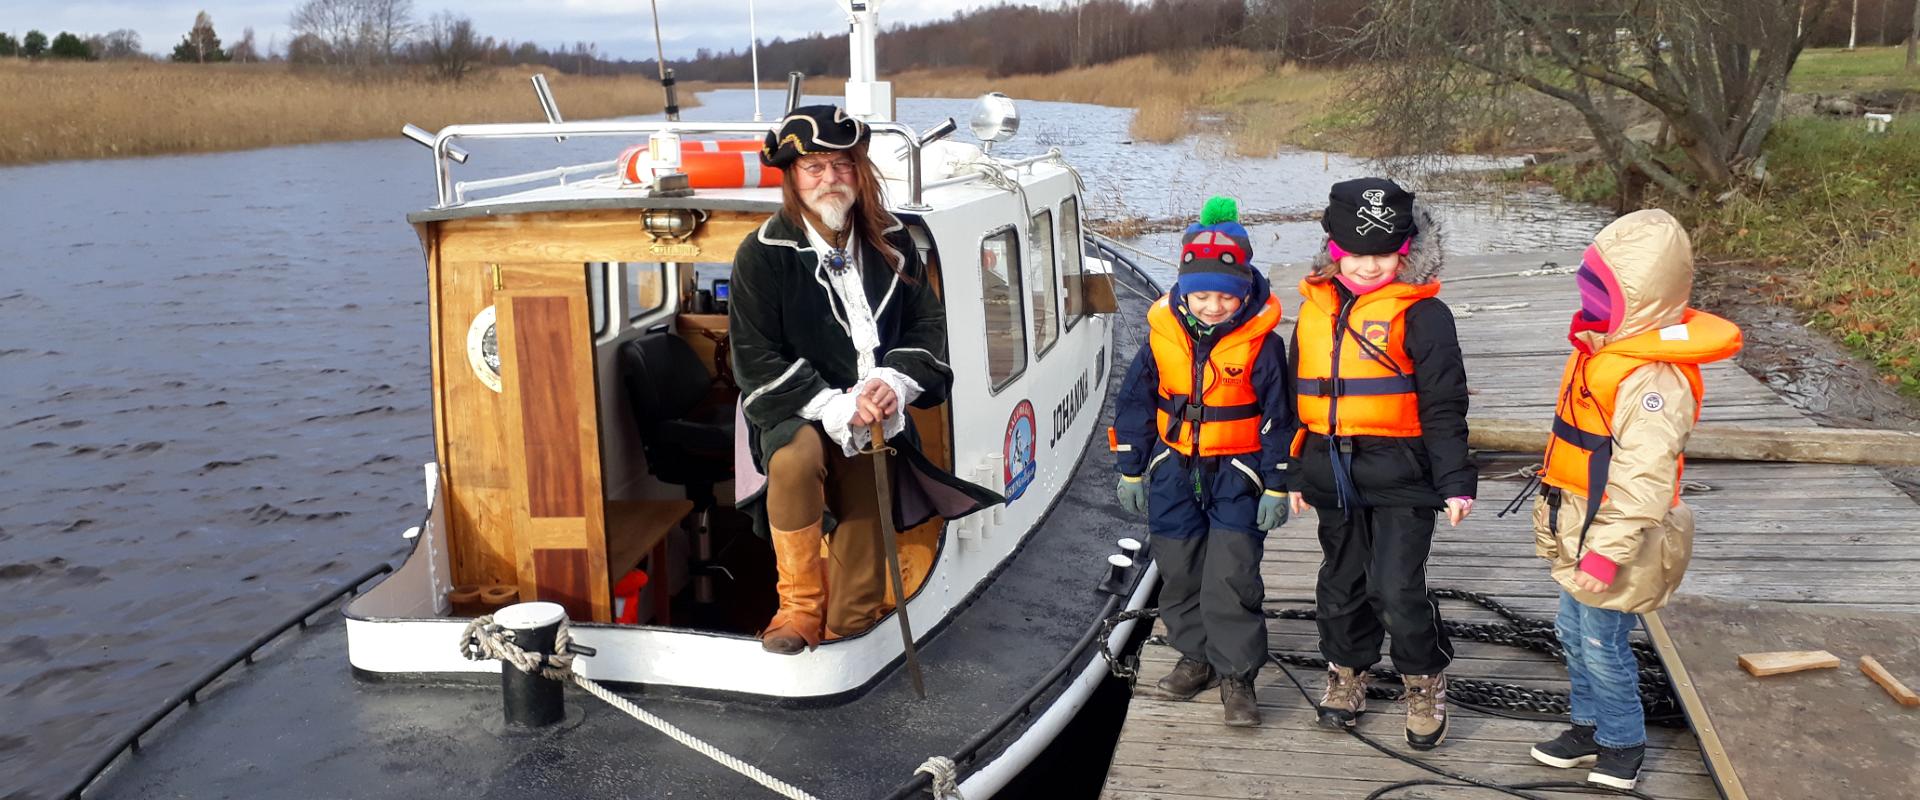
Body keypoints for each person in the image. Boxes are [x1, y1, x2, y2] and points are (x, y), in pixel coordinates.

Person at [730, 105, 1001, 655]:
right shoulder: (762, 254)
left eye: (842, 165)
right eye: (814, 167)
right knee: (795, 461)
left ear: (858, 171)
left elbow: (927, 323)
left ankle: (848, 629)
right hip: (795, 410)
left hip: (877, 411)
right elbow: (755, 358)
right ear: (792, 177)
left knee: (863, 513)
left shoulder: (891, 240)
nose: (830, 179)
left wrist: (894, 381)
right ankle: (799, 608)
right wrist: (835, 405)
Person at [1526, 209, 1740, 789]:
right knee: (1572, 633)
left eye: (1602, 295)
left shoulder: (1653, 379)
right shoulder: (1603, 349)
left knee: (1602, 642)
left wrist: (1605, 554)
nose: (1589, 303)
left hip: (1620, 536)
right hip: (1580, 520)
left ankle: (1623, 743)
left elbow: (1645, 479)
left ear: (1642, 301)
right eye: (1587, 289)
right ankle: (1588, 728)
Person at [1289, 178, 1475, 749]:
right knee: (1341, 582)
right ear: (1334, 249)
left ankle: (1424, 678)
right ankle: (1348, 673)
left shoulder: (1426, 315)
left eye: (1384, 253)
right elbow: (1294, 401)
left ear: (1405, 251)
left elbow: (1444, 404)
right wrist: (1291, 472)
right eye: (1356, 252)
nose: (1370, 265)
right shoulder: (1312, 311)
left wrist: (1455, 481)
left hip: (1404, 475)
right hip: (1331, 473)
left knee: (1395, 586)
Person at [1111, 197, 1293, 728]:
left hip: (1239, 473)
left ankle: (1237, 676)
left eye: (1226, 296)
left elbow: (1282, 418)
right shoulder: (1160, 338)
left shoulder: (1264, 346)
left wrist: (1277, 483)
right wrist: (1131, 467)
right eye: (1202, 295)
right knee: (1179, 570)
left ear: (1245, 292)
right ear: (1184, 291)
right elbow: (1135, 403)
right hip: (1172, 470)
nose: (1214, 306)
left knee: (1232, 576)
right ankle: (1196, 658)